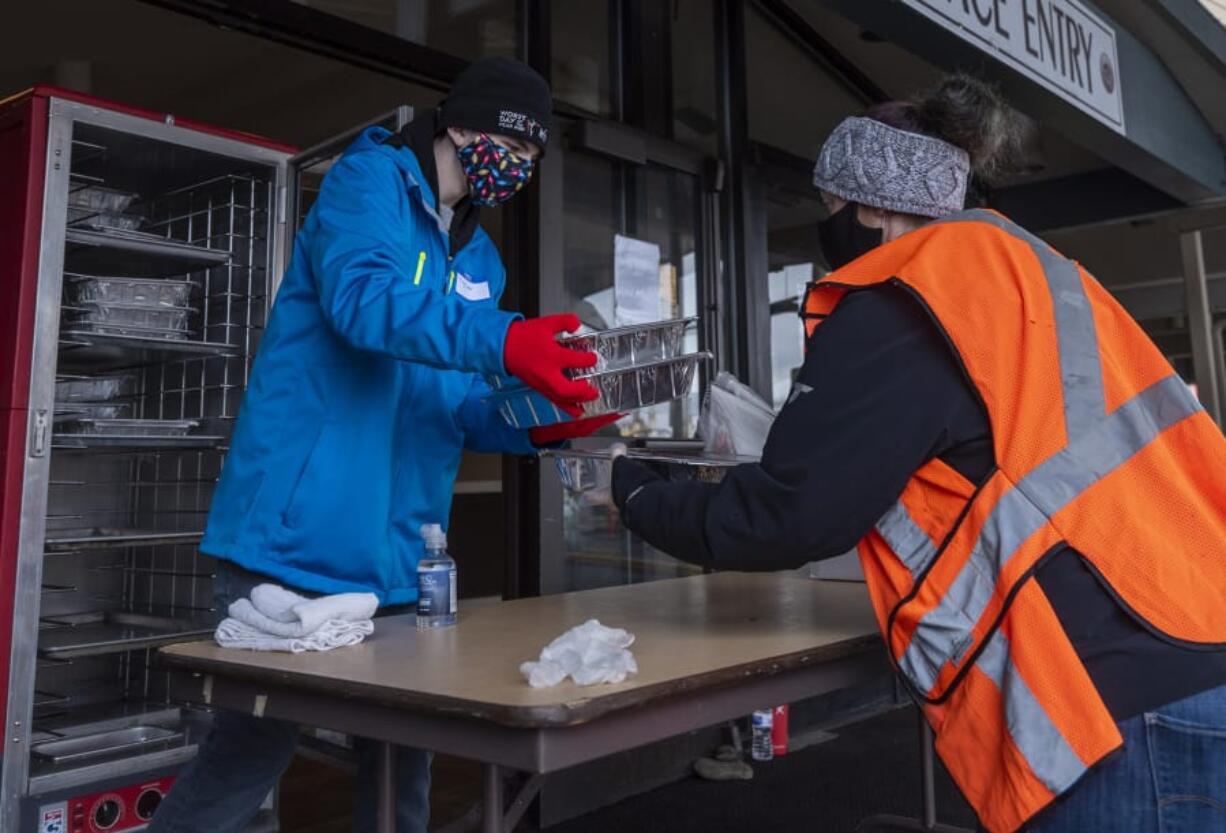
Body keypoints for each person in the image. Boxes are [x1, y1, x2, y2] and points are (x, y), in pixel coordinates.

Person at [611, 75, 1226, 833]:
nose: (829, 227)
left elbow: (793, 512)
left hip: (1122, 709)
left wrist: (637, 494)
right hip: (1194, 649)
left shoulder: (907, 296)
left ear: (871, 206)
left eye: (831, 207)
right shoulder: (1039, 279)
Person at [151, 58, 614, 833]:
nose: (523, 170)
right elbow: (364, 304)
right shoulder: (366, 182)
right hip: (291, 545)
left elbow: (459, 405)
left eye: (534, 160)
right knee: (250, 752)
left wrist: (544, 419)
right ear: (464, 128)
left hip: (401, 554)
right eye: (517, 149)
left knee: (403, 760)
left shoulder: (480, 260)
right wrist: (506, 339)